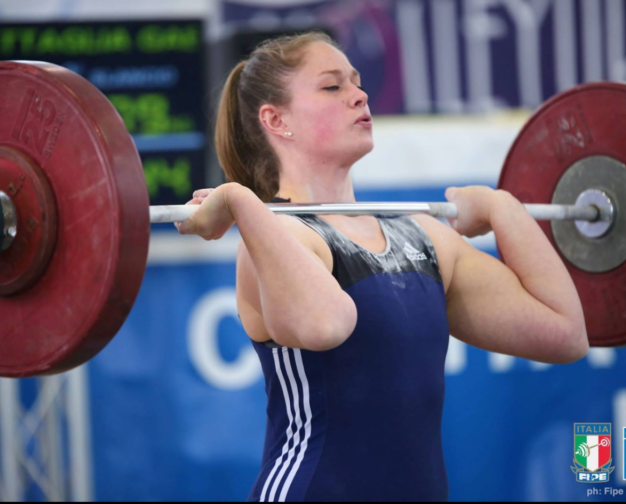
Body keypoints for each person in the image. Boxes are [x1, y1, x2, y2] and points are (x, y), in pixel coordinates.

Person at [175, 32, 588, 502]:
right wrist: (239, 199)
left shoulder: (423, 235)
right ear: (276, 120)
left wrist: (503, 208)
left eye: (357, 82)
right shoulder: (276, 236)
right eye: (332, 87)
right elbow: (326, 324)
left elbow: (565, 333)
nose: (359, 94)